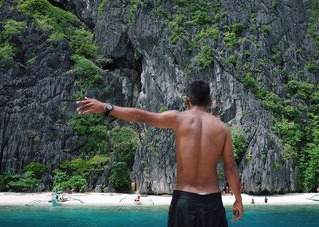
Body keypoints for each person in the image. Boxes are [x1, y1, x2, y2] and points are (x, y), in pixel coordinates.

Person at [76, 81, 243, 226]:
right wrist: (238, 200)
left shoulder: (178, 118)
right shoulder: (222, 129)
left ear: (187, 101)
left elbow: (140, 116)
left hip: (183, 202)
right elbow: (231, 167)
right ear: (210, 101)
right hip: (212, 203)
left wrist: (107, 107)